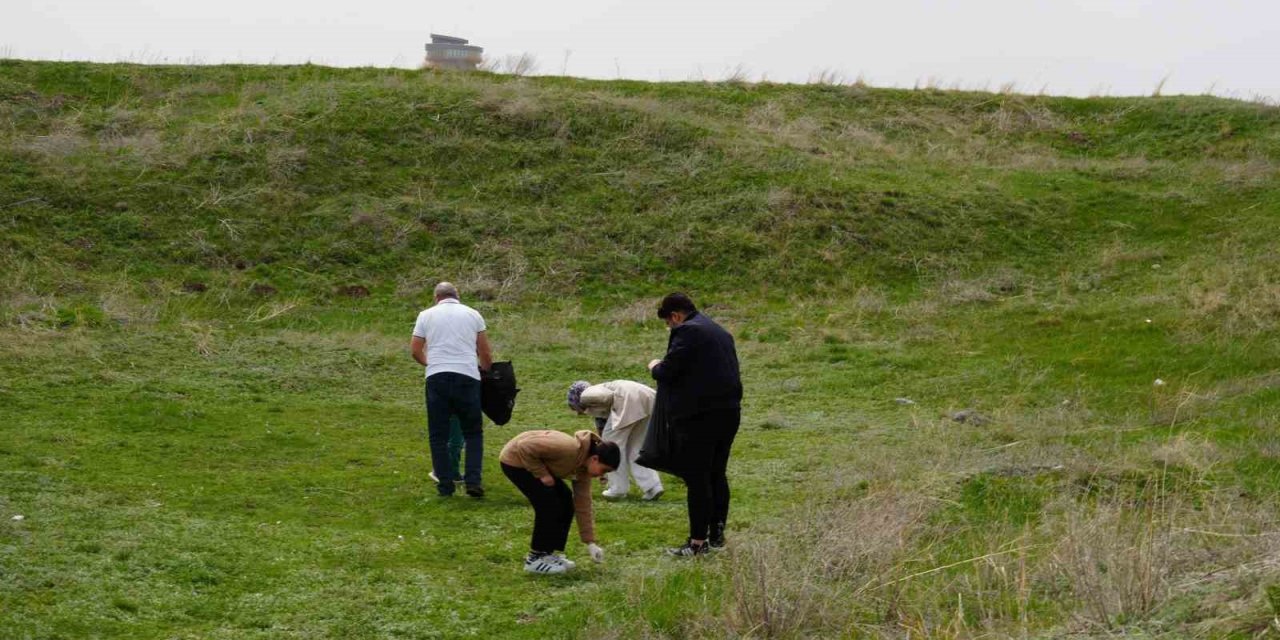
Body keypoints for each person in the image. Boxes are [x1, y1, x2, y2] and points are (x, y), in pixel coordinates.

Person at [647, 292, 742, 556]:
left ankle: (697, 543)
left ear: (675, 316)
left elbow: (668, 371)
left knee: (698, 478)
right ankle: (717, 535)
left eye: (668, 323)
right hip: (729, 412)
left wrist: (654, 365)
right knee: (717, 474)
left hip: (700, 417)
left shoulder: (688, 331)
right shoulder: (719, 331)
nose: (670, 327)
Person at [411, 282, 492, 498]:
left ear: (436, 297)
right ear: (458, 295)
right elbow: (484, 351)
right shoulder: (473, 314)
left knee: (438, 435)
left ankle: (445, 486)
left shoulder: (425, 315)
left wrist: (431, 364)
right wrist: (484, 372)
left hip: (437, 377)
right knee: (473, 432)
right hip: (467, 376)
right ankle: (473, 481)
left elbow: (415, 349)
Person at [499, 429, 620, 574]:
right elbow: (524, 446)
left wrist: (590, 542)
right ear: (595, 458)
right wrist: (542, 474)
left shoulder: (583, 470)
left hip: (533, 462)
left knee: (566, 501)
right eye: (603, 470)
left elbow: (583, 505)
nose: (602, 475)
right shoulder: (568, 449)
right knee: (548, 504)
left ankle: (549, 554)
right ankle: (534, 559)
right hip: (515, 461)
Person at [567, 380, 665, 501]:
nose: (579, 412)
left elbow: (608, 398)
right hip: (650, 400)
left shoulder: (586, 395)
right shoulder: (602, 390)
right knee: (636, 448)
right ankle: (652, 487)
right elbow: (602, 423)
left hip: (630, 402)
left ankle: (618, 489)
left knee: (613, 448)